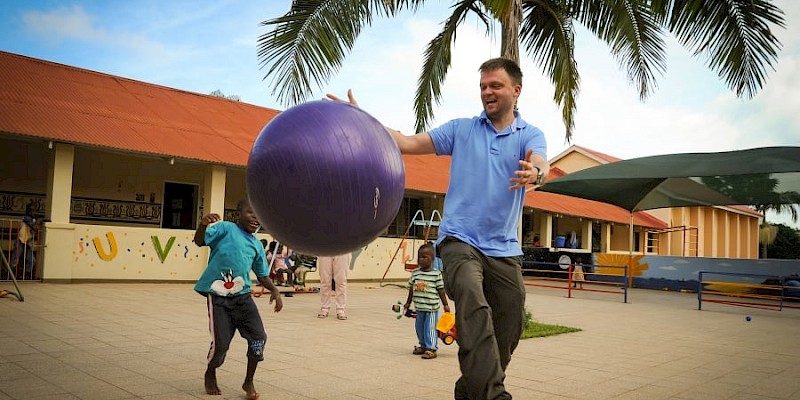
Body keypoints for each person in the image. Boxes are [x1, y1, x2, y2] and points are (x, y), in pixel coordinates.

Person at [328, 57, 549, 399]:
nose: (487, 92)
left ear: (516, 91)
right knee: (472, 302)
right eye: (483, 87)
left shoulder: (529, 134)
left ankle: (470, 389)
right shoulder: (462, 129)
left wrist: (537, 174)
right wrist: (364, 120)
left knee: (510, 323)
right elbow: (405, 142)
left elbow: (539, 161)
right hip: (459, 240)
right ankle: (492, 394)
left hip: (504, 248)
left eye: (495, 86)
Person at [193, 197, 283, 400]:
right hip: (218, 298)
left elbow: (262, 275)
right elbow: (200, 241)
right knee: (221, 345)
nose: (256, 218)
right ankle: (211, 371)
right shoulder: (225, 229)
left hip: (242, 299)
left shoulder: (257, 246)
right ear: (238, 214)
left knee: (259, 338)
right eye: (251, 213)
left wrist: (275, 291)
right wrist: (203, 225)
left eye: (259, 215)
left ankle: (248, 380)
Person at [404, 243, 451, 359]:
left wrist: (445, 304)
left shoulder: (436, 274)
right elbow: (411, 289)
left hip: (431, 308)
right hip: (419, 307)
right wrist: (408, 303)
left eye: (425, 257)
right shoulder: (415, 273)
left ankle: (432, 348)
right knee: (419, 328)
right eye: (419, 257)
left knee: (429, 328)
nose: (421, 259)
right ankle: (423, 345)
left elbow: (441, 290)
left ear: (432, 259)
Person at [317, 252, 351, 320]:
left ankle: (340, 309)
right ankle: (324, 308)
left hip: (343, 248)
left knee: (341, 280)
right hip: (324, 248)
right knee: (325, 280)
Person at [12, 204, 38, 279]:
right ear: (28, 211)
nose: (33, 212)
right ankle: (11, 274)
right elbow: (34, 227)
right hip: (20, 241)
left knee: (32, 260)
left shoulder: (33, 219)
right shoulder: (26, 218)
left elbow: (34, 230)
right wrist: (41, 222)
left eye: (34, 210)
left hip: (27, 242)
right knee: (15, 259)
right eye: (31, 210)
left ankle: (27, 275)